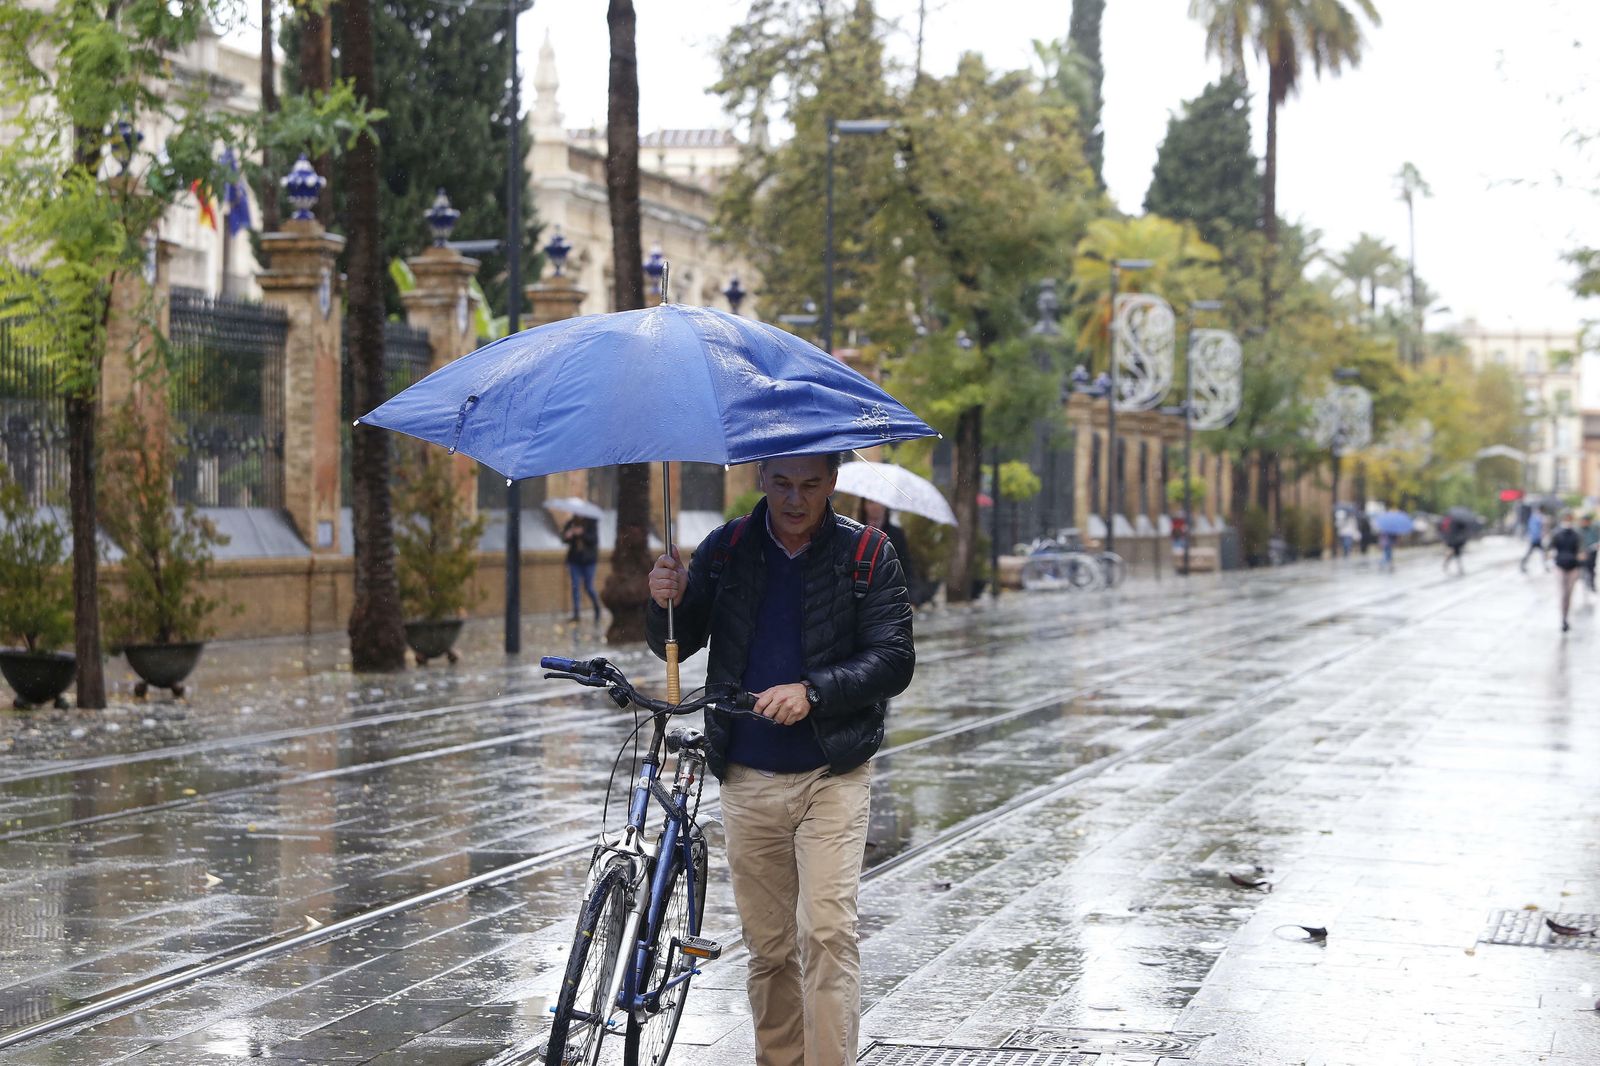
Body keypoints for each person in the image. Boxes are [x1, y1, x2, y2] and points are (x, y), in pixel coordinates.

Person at [646, 453, 914, 1066]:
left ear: (833, 483)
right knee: (768, 949)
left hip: (832, 772)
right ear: (760, 479)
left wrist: (813, 691)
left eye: (811, 485)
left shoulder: (868, 553)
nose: (796, 499)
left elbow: (894, 659)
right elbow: (678, 641)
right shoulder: (728, 547)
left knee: (826, 932)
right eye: (783, 483)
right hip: (747, 774)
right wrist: (668, 597)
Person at [860, 499, 925, 605]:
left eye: (879, 502)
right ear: (864, 506)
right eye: (871, 502)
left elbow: (906, 565)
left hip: (889, 594)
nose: (875, 506)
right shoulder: (856, 532)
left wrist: (912, 597)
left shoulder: (896, 534)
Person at [560, 514, 600, 622]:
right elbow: (563, 539)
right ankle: (576, 613)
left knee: (589, 587)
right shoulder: (571, 523)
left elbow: (593, 539)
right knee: (575, 586)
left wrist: (582, 533)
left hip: (589, 561)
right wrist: (567, 535)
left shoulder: (591, 523)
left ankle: (597, 606)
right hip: (574, 560)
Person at [1551, 511, 1582, 631]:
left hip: (1573, 566)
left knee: (1569, 594)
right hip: (1560, 566)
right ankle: (1563, 618)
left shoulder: (1576, 534)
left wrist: (1581, 555)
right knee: (1563, 594)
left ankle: (1566, 616)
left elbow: (1581, 549)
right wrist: (1550, 554)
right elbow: (1550, 547)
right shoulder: (1557, 534)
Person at [1520, 508, 1548, 573]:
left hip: (1535, 539)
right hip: (1536, 539)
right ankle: (1546, 566)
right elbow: (1537, 529)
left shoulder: (1533, 518)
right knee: (1542, 553)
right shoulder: (1537, 519)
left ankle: (1546, 566)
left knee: (1542, 553)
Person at [1581, 513, 1600, 594]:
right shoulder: (1579, 529)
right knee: (1584, 568)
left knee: (1591, 568)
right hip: (1583, 551)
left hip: (1592, 551)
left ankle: (1591, 584)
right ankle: (1586, 583)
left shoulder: (1594, 529)